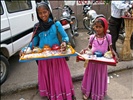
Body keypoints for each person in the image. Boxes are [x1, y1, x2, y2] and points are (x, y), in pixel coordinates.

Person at [20, 2, 76, 100]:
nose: (43, 15)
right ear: (38, 14)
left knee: (60, 77)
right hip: (44, 59)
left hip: (57, 57)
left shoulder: (56, 24)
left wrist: (64, 42)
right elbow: (34, 42)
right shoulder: (37, 27)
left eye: (44, 12)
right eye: (40, 13)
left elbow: (65, 36)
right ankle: (53, 95)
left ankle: (66, 94)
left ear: (49, 11)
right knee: (49, 78)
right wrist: (25, 50)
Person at [80, 18, 118, 100]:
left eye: (100, 27)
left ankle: (98, 94)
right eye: (96, 27)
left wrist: (115, 55)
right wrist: (83, 51)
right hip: (92, 63)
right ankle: (88, 92)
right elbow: (88, 47)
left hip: (102, 64)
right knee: (90, 77)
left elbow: (111, 49)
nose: (98, 29)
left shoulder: (108, 37)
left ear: (105, 27)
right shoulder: (92, 37)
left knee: (99, 78)